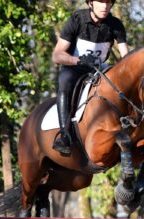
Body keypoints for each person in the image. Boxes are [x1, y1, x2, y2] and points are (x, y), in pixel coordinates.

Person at [51, 0, 129, 156]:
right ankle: (65, 135)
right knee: (64, 83)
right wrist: (78, 60)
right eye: (101, 2)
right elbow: (57, 55)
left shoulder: (116, 25)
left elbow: (126, 57)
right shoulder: (77, 19)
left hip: (99, 69)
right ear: (90, 3)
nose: (105, 6)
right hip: (74, 67)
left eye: (108, 2)